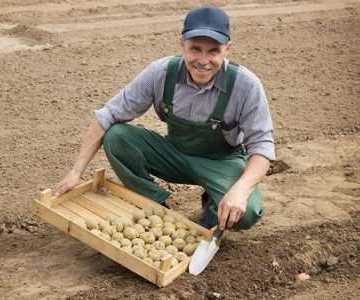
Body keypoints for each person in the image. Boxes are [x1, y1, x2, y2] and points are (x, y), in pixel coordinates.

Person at [55, 6, 275, 231]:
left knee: (245, 213)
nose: (203, 60)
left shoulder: (246, 85)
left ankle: (211, 215)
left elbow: (262, 146)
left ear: (227, 49)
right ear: (182, 44)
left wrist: (240, 190)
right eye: (195, 49)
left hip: (222, 162)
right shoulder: (160, 73)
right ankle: (156, 207)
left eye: (213, 51)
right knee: (117, 137)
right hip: (174, 154)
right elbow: (108, 114)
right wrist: (76, 172)